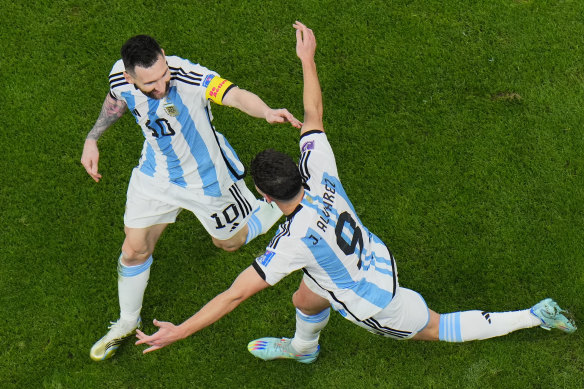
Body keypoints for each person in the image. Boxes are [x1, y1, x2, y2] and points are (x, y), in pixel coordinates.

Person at [134, 22, 577, 362]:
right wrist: (307, 59)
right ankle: (304, 350)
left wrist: (180, 331)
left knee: (436, 327)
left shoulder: (290, 244)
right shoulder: (319, 171)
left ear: (265, 198)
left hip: (376, 299)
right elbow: (313, 113)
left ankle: (533, 316)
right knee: (304, 296)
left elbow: (234, 294)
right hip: (361, 256)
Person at [82, 34, 303, 361]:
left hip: (209, 180)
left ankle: (267, 208)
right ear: (130, 76)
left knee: (229, 243)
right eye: (150, 84)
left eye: (163, 74)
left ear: (164, 56)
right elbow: (116, 99)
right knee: (133, 250)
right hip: (156, 173)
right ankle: (128, 322)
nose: (161, 86)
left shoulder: (188, 77)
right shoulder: (120, 76)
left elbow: (235, 95)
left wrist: (265, 111)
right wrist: (92, 138)